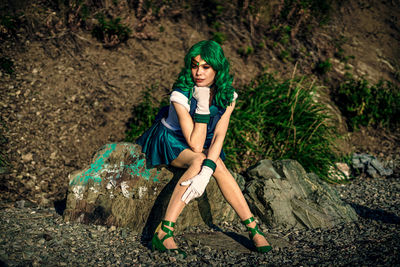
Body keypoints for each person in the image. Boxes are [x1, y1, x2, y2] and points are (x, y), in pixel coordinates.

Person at [136, 40, 271, 257]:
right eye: (194, 65)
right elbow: (195, 144)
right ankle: (164, 231)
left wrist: (207, 172)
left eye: (206, 67)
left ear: (217, 68)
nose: (198, 72)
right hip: (171, 140)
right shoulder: (181, 93)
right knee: (199, 159)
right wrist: (201, 101)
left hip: (203, 139)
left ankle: (253, 228)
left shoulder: (228, 95)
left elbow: (219, 136)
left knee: (215, 164)